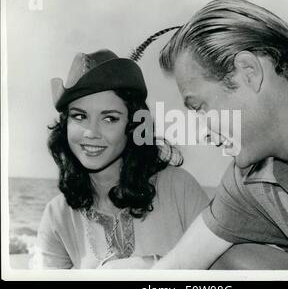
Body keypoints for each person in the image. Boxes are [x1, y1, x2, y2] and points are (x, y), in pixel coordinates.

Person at [148, 0, 288, 270]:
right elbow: (177, 267)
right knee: (222, 261)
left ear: (248, 72)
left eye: (200, 107)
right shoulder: (254, 173)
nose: (204, 132)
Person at [30, 49, 209, 269]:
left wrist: (152, 267)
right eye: (79, 116)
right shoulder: (58, 214)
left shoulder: (179, 188)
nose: (91, 133)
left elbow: (225, 274)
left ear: (132, 125)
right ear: (66, 124)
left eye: (110, 119)